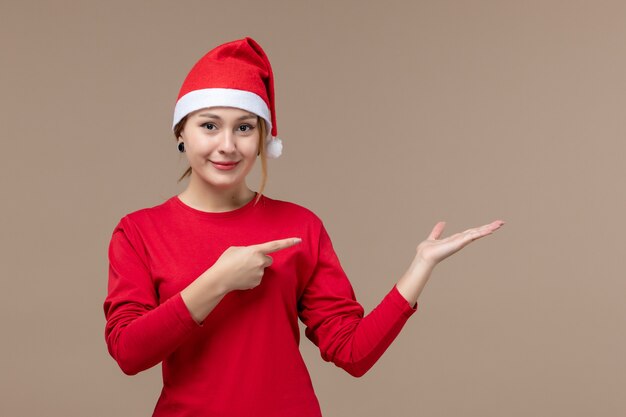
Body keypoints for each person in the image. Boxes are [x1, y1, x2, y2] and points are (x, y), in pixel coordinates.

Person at [103, 36, 505, 417]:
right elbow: (128, 353)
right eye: (209, 125)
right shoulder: (139, 232)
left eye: (244, 127)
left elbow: (352, 353)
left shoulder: (299, 225)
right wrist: (218, 281)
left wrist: (420, 267)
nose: (227, 145)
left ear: (262, 138)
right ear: (181, 133)